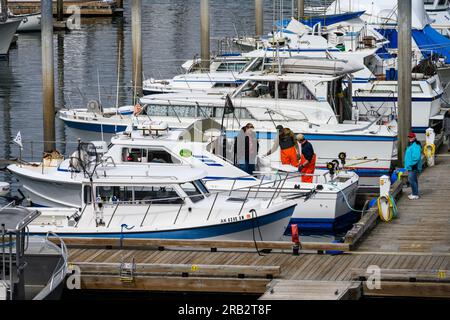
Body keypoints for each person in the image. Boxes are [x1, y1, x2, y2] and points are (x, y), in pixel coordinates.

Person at [404, 132, 422, 200]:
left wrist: (410, 164)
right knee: (414, 180)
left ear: (414, 137)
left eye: (411, 137)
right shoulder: (411, 145)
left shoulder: (415, 146)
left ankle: (415, 194)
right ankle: (415, 193)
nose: (410, 138)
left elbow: (416, 157)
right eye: (409, 137)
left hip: (413, 166)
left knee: (411, 180)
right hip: (411, 166)